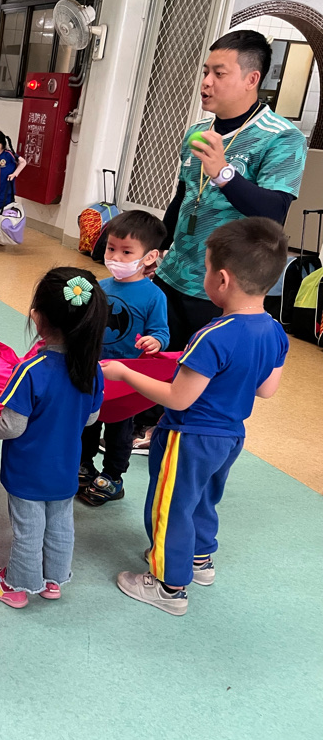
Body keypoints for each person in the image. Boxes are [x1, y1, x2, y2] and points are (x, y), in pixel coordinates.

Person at [134, 30, 306, 452]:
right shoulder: (198, 130)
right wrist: (159, 246)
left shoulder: (282, 137)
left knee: (202, 367)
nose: (206, 82)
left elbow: (273, 213)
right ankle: (146, 427)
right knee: (160, 351)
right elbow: (182, 197)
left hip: (223, 283)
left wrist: (224, 173)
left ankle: (184, 437)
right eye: (205, 71)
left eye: (219, 73)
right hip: (175, 270)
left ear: (252, 78)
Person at [107, 218, 289, 616]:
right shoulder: (275, 331)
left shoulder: (212, 335)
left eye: (205, 270)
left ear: (222, 279)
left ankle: (168, 586)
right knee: (204, 497)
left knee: (171, 506)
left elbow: (178, 398)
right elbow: (266, 389)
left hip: (188, 436)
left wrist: (124, 373)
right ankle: (199, 559)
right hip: (230, 437)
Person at [0, 268, 107, 608]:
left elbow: (11, 426)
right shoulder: (92, 369)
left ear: (38, 317)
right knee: (60, 525)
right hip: (65, 468)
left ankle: (16, 585)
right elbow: (91, 418)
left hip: (28, 471)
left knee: (27, 530)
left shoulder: (31, 370)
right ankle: (53, 580)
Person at [78, 211, 169, 506]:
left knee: (120, 430)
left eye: (126, 252)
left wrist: (155, 341)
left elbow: (162, 332)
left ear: (149, 256)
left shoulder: (154, 296)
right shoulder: (100, 287)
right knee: (89, 423)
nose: (116, 257)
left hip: (127, 378)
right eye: (111, 248)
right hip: (95, 371)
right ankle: (84, 465)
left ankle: (113, 476)